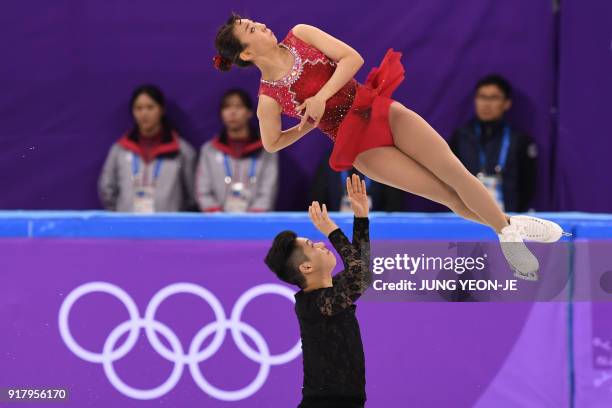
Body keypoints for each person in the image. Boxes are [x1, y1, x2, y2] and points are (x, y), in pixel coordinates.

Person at [213, 15, 568, 280]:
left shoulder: (301, 34)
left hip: (376, 107)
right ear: (245, 54)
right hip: (356, 143)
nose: (261, 26)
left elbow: (352, 58)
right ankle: (510, 226)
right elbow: (272, 143)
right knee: (443, 194)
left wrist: (320, 97)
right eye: (251, 29)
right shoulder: (268, 98)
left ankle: (507, 234)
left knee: (454, 172)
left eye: (255, 21)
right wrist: (307, 125)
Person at [265, 174, 372, 408]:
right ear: (306, 267)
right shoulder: (314, 305)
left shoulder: (329, 294)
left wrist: (361, 216)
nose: (322, 244)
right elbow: (361, 276)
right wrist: (332, 230)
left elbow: (363, 271)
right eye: (314, 246)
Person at [98, 85, 197, 213]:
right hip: (128, 227)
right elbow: (107, 189)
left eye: (150, 107)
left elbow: (192, 195)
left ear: (161, 109)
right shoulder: (119, 150)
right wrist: (122, 212)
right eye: (138, 108)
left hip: (168, 228)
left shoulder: (182, 151)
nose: (144, 113)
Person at [450, 75, 538, 212]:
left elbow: (528, 185)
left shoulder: (519, 140)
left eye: (494, 98)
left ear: (507, 103)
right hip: (465, 216)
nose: (486, 104)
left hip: (508, 217)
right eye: (482, 97)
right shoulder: (461, 136)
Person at [196, 88, 278, 212]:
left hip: (256, 224)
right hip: (217, 224)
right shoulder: (209, 150)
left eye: (239, 106)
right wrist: (219, 218)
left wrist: (250, 221)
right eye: (227, 107)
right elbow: (203, 191)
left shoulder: (267, 148)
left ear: (250, 112)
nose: (232, 112)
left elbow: (268, 191)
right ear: (221, 113)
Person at [310, 152, 404, 212]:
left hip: (376, 228)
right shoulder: (329, 161)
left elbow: (395, 204)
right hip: (337, 224)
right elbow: (317, 201)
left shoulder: (383, 162)